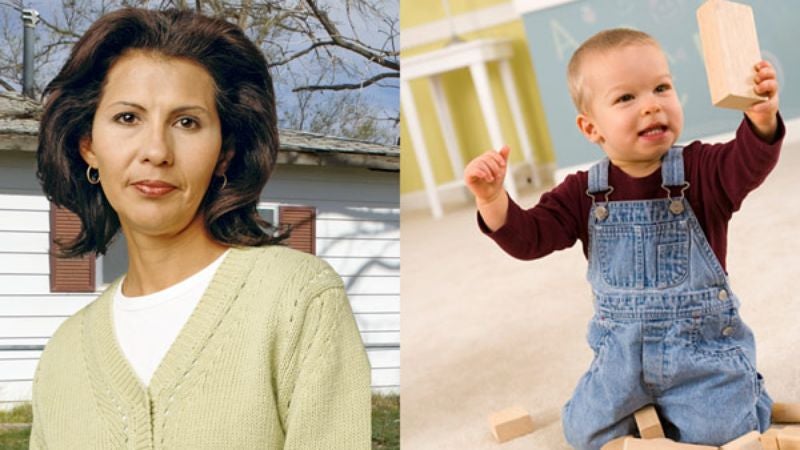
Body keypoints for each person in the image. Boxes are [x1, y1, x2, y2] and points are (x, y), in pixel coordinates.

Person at [31, 7, 370, 449]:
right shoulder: (62, 354)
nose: (156, 150)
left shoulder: (297, 300)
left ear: (224, 153)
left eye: (187, 122)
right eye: (128, 118)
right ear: (89, 146)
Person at [464, 28, 782, 449]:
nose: (651, 105)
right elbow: (530, 238)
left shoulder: (702, 170)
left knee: (724, 431)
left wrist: (760, 121)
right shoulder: (581, 192)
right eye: (626, 98)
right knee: (582, 432)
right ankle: (656, 414)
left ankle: (745, 391)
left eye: (661, 88)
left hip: (702, 355)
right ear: (591, 128)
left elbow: (746, 163)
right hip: (621, 359)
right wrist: (492, 200)